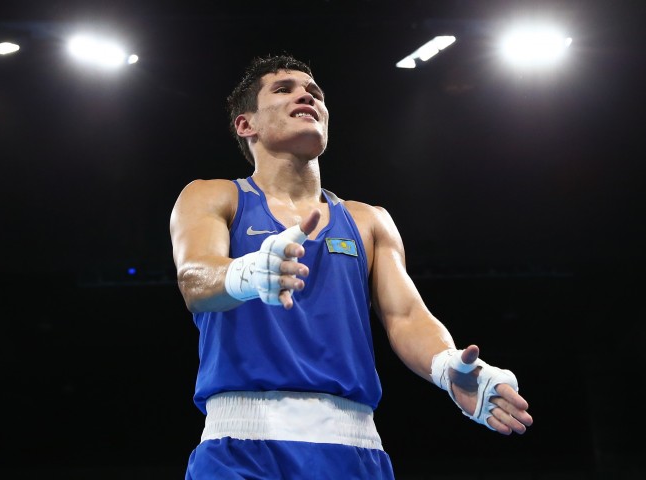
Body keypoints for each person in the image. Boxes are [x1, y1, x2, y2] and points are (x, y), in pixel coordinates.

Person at [169, 54, 533, 479]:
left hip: (354, 449)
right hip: (242, 446)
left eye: (314, 92)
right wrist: (246, 274)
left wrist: (446, 366)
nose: (306, 95)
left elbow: (406, 316)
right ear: (246, 124)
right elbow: (194, 279)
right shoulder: (213, 196)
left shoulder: (369, 220)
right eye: (284, 89)